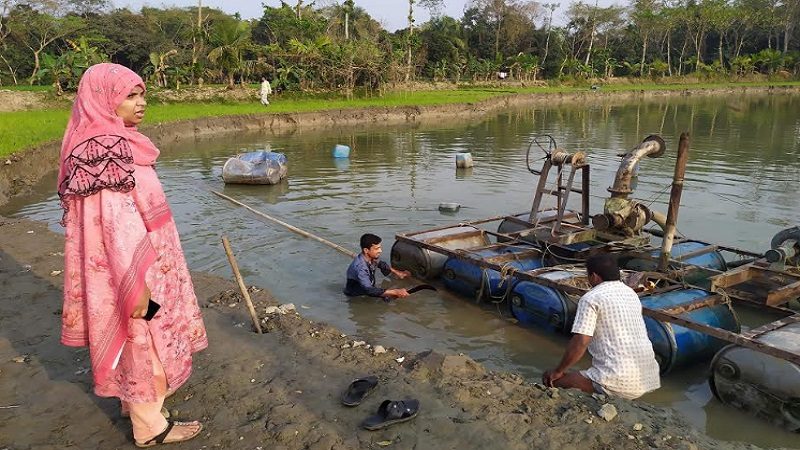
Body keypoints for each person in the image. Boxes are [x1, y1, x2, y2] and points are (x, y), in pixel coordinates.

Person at [57, 63, 208, 447]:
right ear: (104, 99)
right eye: (130, 95)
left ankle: (137, 400)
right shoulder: (102, 149)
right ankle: (149, 426)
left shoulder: (115, 139)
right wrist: (135, 285)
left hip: (146, 261)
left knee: (143, 333)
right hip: (134, 267)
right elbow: (115, 224)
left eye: (142, 94)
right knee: (146, 330)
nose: (141, 103)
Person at [542, 254, 660, 400]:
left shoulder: (591, 298)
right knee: (586, 372)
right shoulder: (631, 294)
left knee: (551, 379)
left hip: (619, 381)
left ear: (594, 276)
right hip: (647, 379)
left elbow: (581, 341)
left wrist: (558, 371)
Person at [344, 233, 411, 300]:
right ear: (366, 250)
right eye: (377, 249)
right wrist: (395, 292)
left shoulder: (370, 257)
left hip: (368, 290)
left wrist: (398, 273)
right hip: (358, 297)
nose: (380, 251)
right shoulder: (360, 268)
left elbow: (381, 264)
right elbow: (369, 290)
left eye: (380, 248)